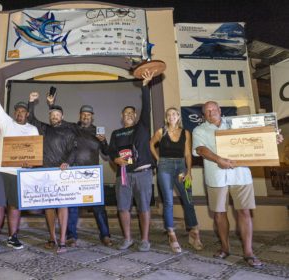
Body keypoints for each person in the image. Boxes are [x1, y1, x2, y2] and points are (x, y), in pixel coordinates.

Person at [192, 101, 283, 268]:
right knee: (219, 214)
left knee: (244, 212)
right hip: (216, 177)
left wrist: (271, 139)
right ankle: (225, 248)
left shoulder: (236, 123)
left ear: (220, 110)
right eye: (207, 111)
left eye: (213, 109)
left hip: (241, 174)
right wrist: (218, 159)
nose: (211, 113)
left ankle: (248, 252)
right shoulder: (199, 130)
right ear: (203, 115)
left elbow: (257, 138)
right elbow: (200, 150)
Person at [46, 93, 112, 247]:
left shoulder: (98, 131)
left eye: (88, 115)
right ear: (80, 115)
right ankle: (71, 236)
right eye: (83, 114)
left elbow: (107, 153)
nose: (86, 117)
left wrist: (104, 141)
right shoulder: (73, 127)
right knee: (73, 206)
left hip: (92, 174)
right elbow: (58, 119)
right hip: (75, 172)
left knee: (98, 207)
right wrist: (51, 104)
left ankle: (106, 235)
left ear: (92, 117)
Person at [0, 71, 39, 253]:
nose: (20, 113)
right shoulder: (6, 122)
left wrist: (31, 164)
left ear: (27, 114)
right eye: (18, 110)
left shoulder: (32, 130)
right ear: (14, 113)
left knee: (15, 206)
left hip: (19, 173)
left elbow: (34, 154)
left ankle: (13, 237)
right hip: (0, 170)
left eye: (23, 111)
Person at [108, 69, 155, 252]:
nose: (128, 115)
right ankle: (127, 239)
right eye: (125, 113)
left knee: (143, 208)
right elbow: (111, 151)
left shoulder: (142, 126)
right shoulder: (116, 133)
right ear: (122, 117)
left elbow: (147, 107)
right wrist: (115, 159)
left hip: (142, 173)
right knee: (123, 208)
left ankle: (144, 240)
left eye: (131, 113)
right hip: (123, 175)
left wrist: (145, 86)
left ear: (135, 116)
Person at [28, 92, 77, 254]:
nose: (54, 117)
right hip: (46, 173)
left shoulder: (69, 131)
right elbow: (32, 120)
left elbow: (73, 150)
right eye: (52, 114)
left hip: (61, 173)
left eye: (57, 114)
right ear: (49, 116)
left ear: (62, 116)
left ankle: (62, 241)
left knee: (63, 207)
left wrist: (67, 162)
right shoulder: (44, 129)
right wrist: (31, 103)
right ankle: (52, 237)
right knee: (49, 207)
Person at [150, 107, 203, 253]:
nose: (172, 116)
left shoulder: (186, 133)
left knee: (188, 199)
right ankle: (171, 234)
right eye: (169, 114)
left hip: (181, 167)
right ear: (166, 118)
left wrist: (189, 171)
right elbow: (151, 144)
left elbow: (187, 154)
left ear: (178, 116)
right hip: (165, 167)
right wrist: (158, 159)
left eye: (174, 114)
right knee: (168, 201)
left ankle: (194, 232)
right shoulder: (161, 132)